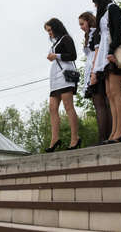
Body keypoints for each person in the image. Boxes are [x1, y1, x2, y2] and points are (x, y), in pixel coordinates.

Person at [90, 0, 121, 144]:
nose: (95, 6)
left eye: (96, 2)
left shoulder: (113, 8)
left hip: (112, 53)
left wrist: (113, 50)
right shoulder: (104, 13)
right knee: (109, 93)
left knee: (116, 91)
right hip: (104, 54)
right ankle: (114, 131)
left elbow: (120, 30)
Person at [44, 18, 81, 152]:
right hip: (55, 79)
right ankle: (55, 139)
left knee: (68, 106)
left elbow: (73, 55)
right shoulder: (55, 42)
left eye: (49, 30)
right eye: (47, 31)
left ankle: (74, 138)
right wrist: (53, 56)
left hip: (66, 76)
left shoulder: (66, 38)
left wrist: (56, 56)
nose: (49, 33)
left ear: (55, 27)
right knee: (52, 108)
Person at [79, 12, 112, 143]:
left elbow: (97, 53)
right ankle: (107, 136)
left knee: (100, 104)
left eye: (82, 23)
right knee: (103, 103)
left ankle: (104, 137)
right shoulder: (90, 34)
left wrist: (94, 72)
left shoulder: (95, 33)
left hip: (97, 68)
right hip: (95, 68)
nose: (81, 27)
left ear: (88, 21)